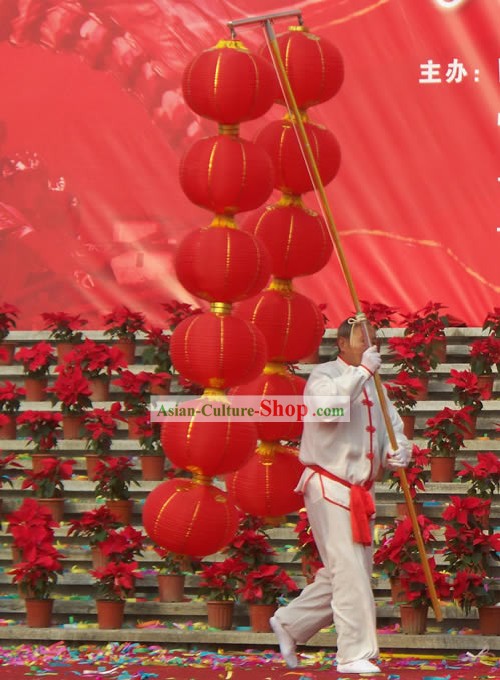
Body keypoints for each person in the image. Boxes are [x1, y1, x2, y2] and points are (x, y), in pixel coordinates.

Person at [270, 315, 411, 674]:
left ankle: (289, 623)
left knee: (345, 572)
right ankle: (353, 653)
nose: (368, 344)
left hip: (361, 491)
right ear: (342, 344)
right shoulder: (325, 376)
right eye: (360, 339)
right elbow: (326, 411)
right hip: (329, 484)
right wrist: (361, 373)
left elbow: (394, 431)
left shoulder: (376, 386)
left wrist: (399, 452)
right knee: (349, 571)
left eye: (371, 338)